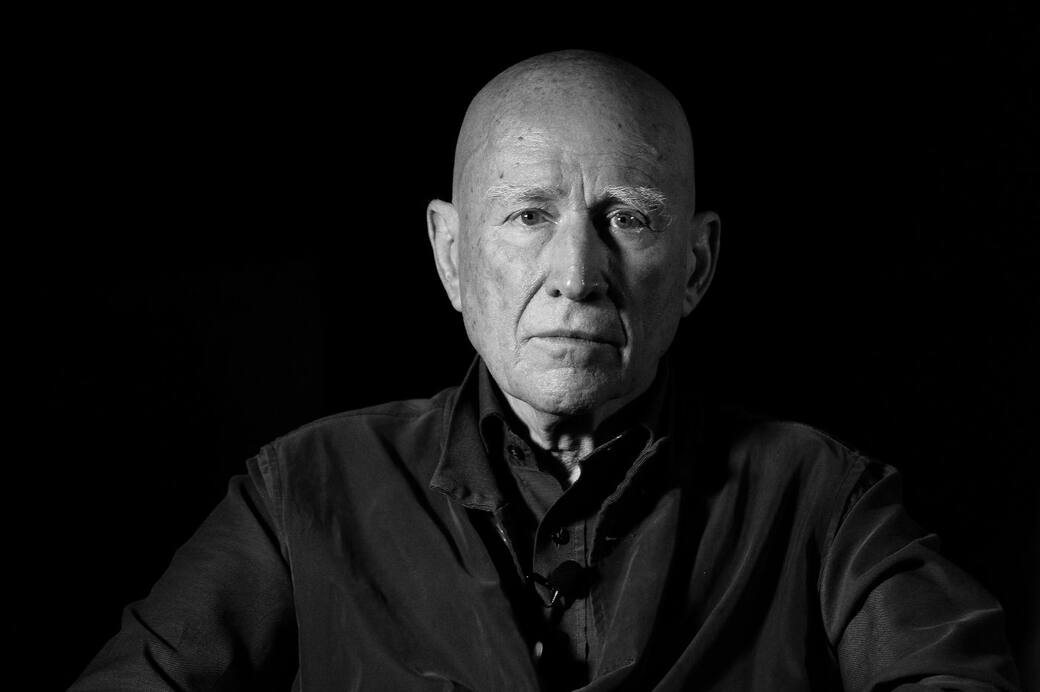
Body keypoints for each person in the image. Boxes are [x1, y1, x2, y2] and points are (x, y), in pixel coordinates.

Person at [72, 49, 1021, 691]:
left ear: (696, 266)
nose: (577, 274)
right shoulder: (302, 493)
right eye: (529, 215)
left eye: (628, 218)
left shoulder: (821, 500)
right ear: (451, 253)